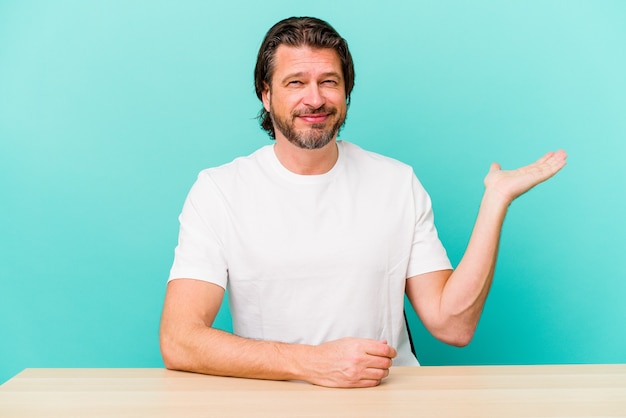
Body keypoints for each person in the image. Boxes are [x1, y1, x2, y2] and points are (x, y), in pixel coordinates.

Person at [159, 16, 567, 388]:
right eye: (296, 82)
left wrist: (495, 201)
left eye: (329, 82)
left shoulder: (396, 182)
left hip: (387, 399)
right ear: (266, 95)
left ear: (346, 91)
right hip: (276, 402)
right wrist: (311, 363)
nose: (315, 99)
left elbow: (452, 324)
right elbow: (180, 341)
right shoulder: (219, 190)